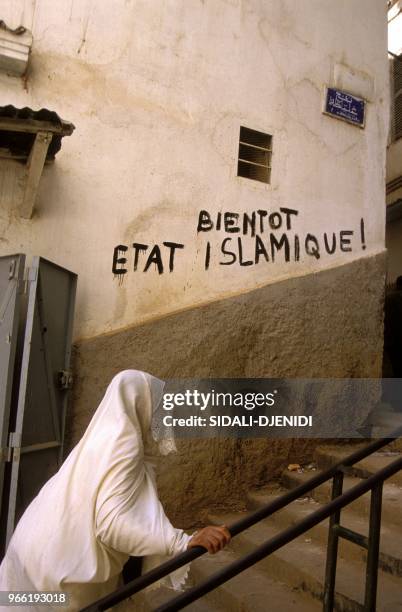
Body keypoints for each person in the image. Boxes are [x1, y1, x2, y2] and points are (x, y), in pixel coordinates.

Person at [0, 370, 230, 611]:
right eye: (159, 405)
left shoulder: (100, 439)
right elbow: (113, 524)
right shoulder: (123, 445)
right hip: (62, 574)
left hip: (29, 555)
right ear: (142, 403)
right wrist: (181, 541)